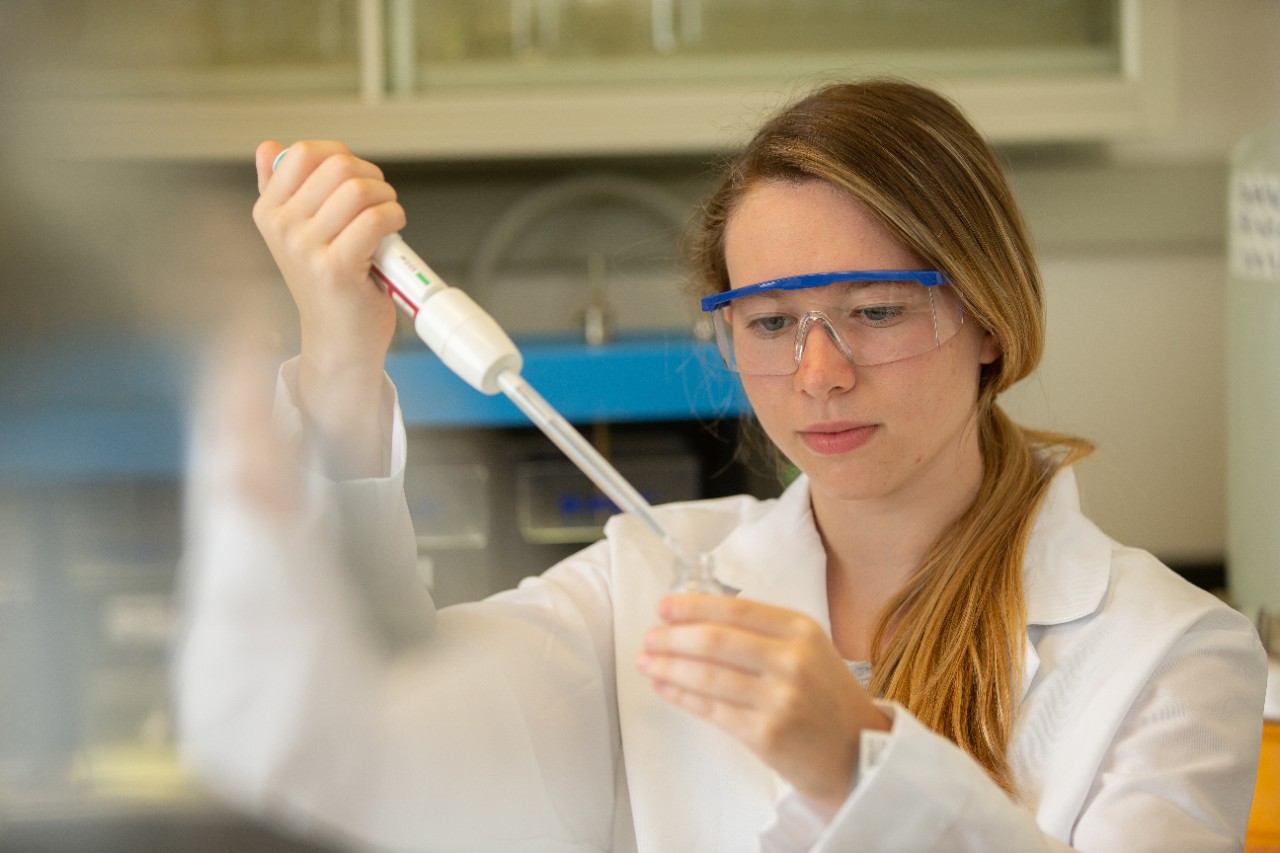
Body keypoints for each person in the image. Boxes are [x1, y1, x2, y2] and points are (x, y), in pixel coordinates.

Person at [177, 80, 1267, 852]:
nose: (819, 372)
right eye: (770, 321)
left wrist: (860, 763)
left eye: (875, 311)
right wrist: (338, 359)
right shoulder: (648, 587)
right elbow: (377, 716)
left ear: (987, 316)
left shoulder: (1171, 656)